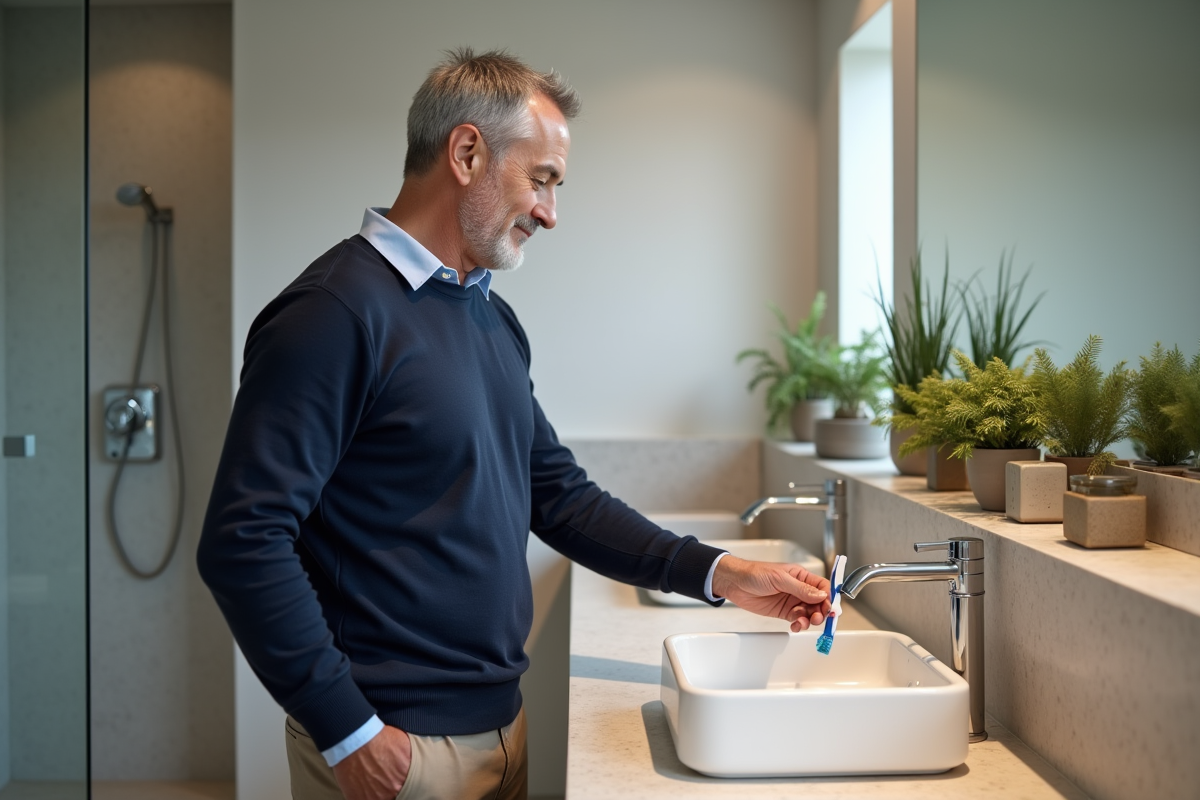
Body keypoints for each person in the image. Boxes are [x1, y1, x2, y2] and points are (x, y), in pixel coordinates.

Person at [197, 48, 832, 800]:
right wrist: (350, 733)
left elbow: (557, 496)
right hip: (395, 749)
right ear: (466, 152)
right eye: (542, 179)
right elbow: (243, 540)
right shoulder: (333, 315)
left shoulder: (488, 315)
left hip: (501, 731)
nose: (550, 213)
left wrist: (725, 574)